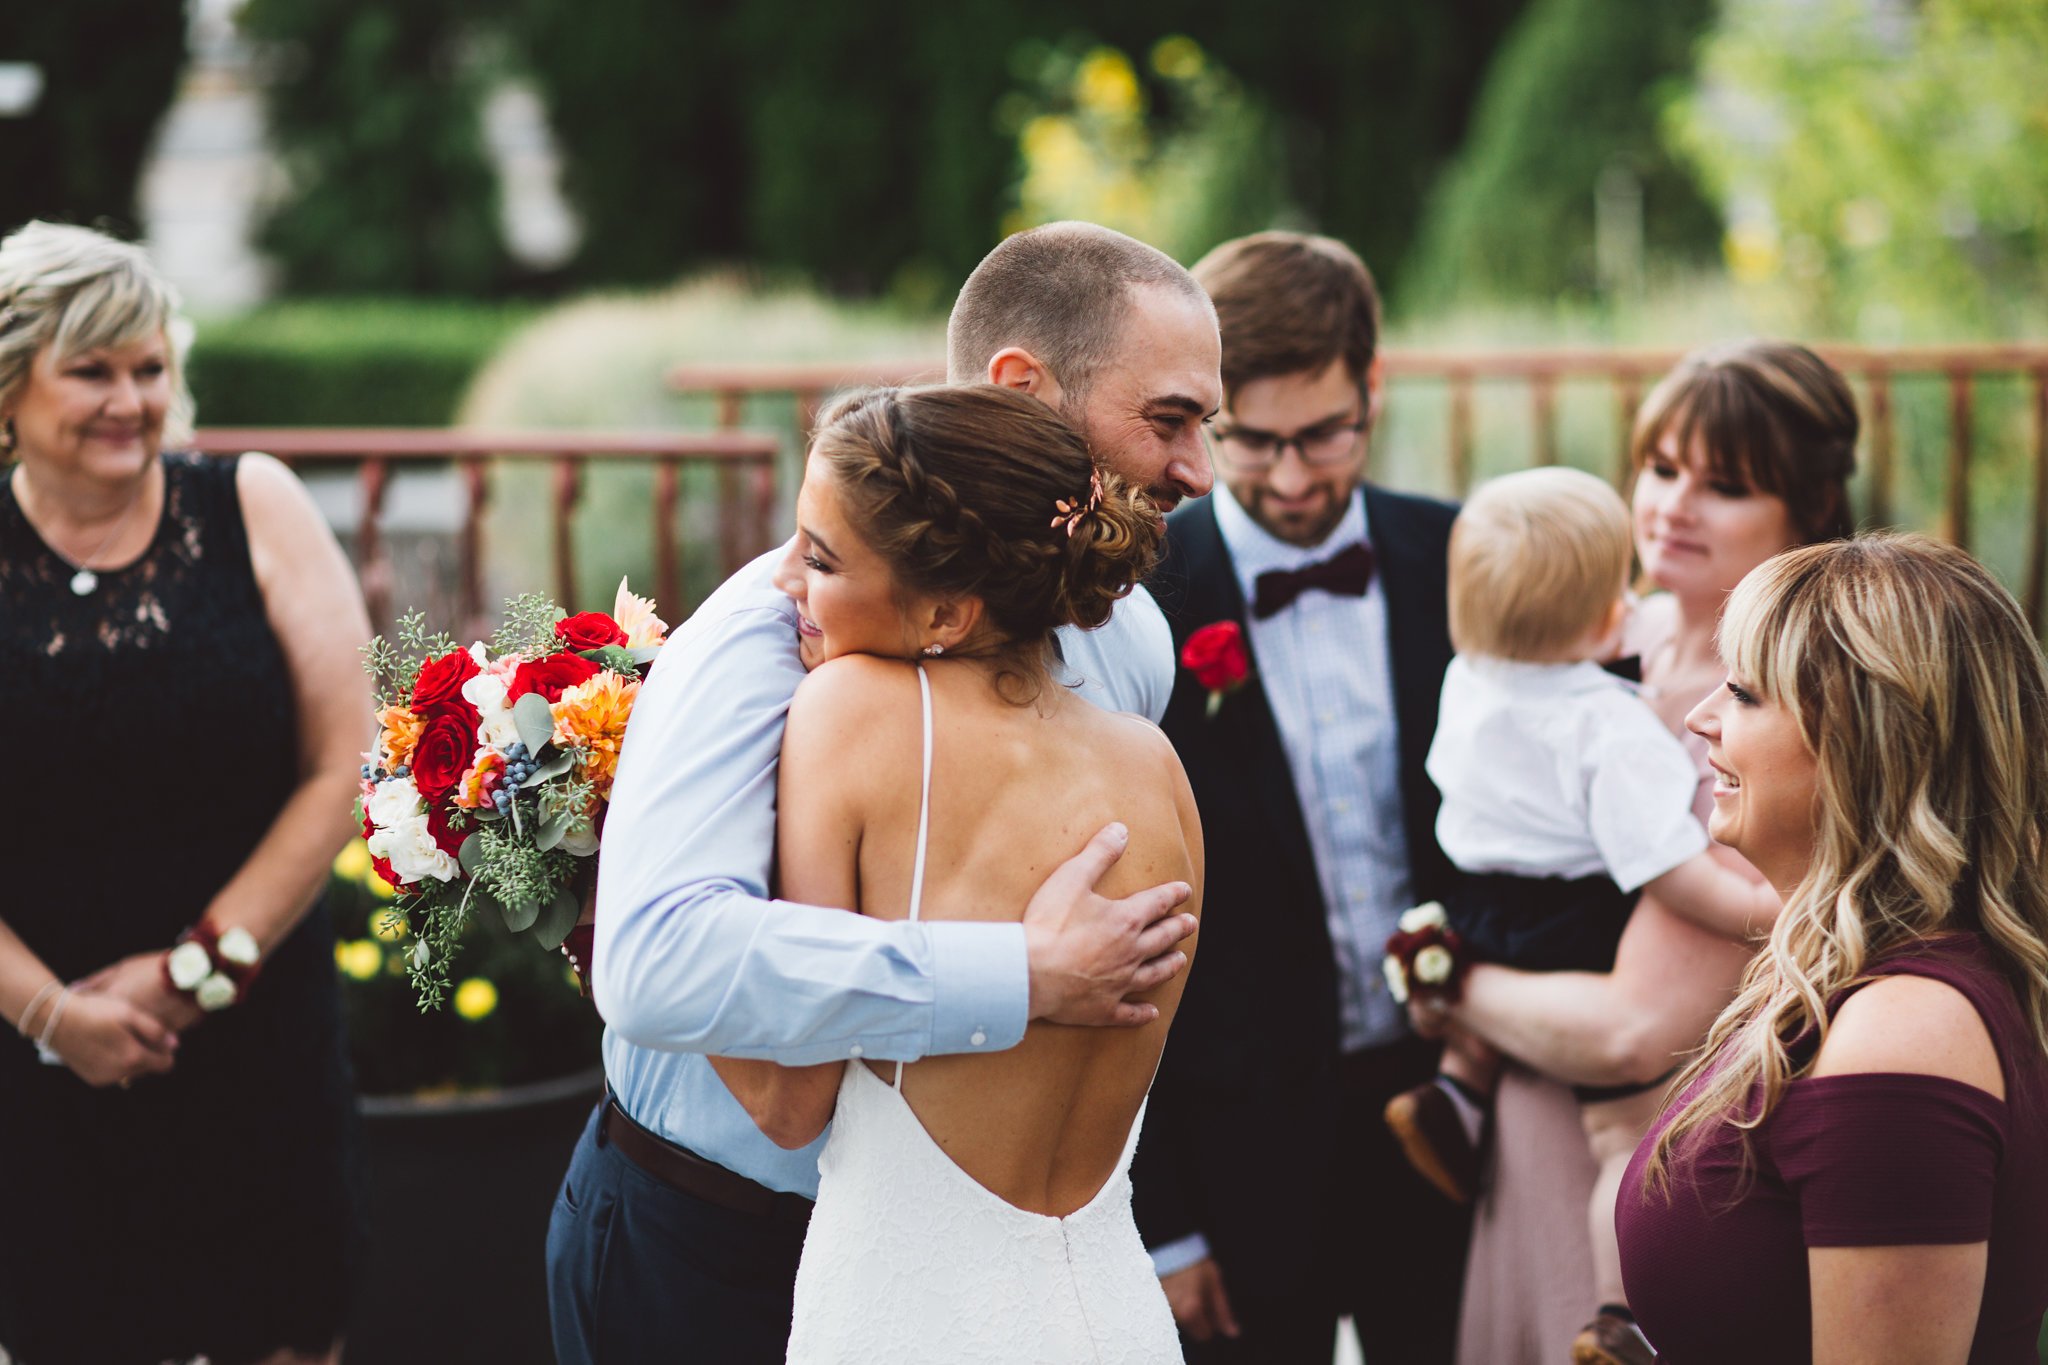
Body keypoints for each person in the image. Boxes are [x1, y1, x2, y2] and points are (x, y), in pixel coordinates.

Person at [547, 220, 1221, 1363]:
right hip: (711, 1246)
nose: (1198, 470)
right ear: (1022, 386)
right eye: (1169, 420)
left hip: (984, 1264)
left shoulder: (1127, 652)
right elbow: (655, 963)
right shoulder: (768, 646)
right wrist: (1017, 976)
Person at [713, 384, 1204, 1361]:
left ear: (944, 609)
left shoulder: (852, 714)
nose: (785, 584)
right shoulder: (1155, 767)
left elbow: (788, 1102)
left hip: (911, 1323)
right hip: (1118, 1317)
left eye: (820, 556)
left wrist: (596, 908)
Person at [1441, 340, 1859, 1365]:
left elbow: (1636, 1031)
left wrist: (1444, 980)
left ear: (1803, 515)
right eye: (1661, 467)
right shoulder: (1589, 634)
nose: (1671, 505)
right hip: (1531, 1112)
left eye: (1721, 486)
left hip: (1648, 1132)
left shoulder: (1769, 706)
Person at [0, 222, 370, 1362]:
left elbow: (340, 763)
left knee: (281, 1327)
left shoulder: (250, 505)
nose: (131, 399)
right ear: (10, 388)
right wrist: (55, 1018)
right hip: (32, 1054)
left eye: (150, 368)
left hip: (253, 1034)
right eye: (93, 370)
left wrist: (194, 973)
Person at [1133, 229, 1468, 1363]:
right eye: (1253, 442)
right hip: (1234, 1143)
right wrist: (1162, 1221)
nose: (1288, 478)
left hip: (1444, 1109)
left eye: (1321, 435)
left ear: (1371, 390)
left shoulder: (1460, 560)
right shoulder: (1134, 604)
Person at [1617, 533, 2048, 1364]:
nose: (1700, 718)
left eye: (1743, 693)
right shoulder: (1857, 980)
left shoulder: (1907, 1031)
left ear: (1866, 743)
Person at [1381, 467, 1781, 1344]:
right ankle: (1617, 1312)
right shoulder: (1608, 727)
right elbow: (1667, 869)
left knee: (1488, 1003)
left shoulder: (1468, 676)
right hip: (1574, 917)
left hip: (1479, 907)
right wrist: (1769, 912)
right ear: (1605, 617)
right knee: (1622, 1137)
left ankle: (1457, 1090)